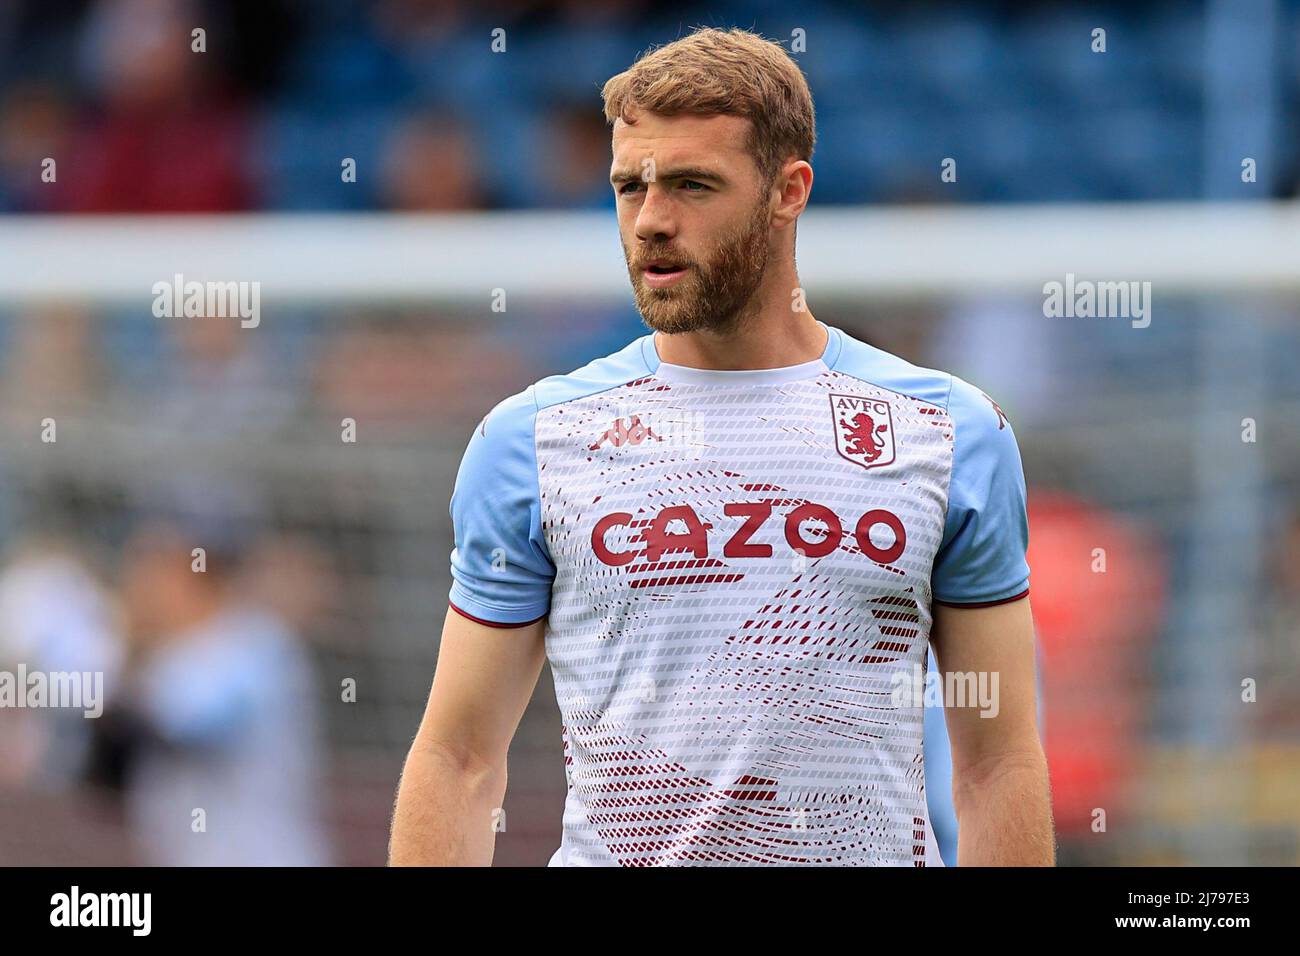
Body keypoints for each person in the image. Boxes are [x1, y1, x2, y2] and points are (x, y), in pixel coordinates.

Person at [390, 27, 1053, 867]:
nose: (651, 221)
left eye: (694, 185)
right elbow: (458, 758)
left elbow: (996, 764)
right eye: (630, 187)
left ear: (789, 191)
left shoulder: (950, 433)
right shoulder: (531, 441)